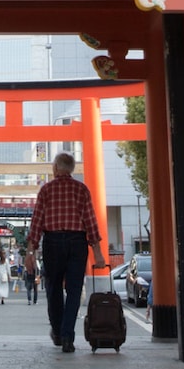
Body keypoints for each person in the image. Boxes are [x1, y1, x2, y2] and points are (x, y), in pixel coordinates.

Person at [27, 151, 107, 354]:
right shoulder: (81, 190)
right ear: (71, 169)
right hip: (76, 243)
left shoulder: (46, 190)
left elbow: (37, 222)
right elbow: (90, 221)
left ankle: (57, 330)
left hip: (52, 242)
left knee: (53, 289)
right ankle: (67, 336)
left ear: (55, 168)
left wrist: (30, 252)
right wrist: (97, 252)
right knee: (73, 291)